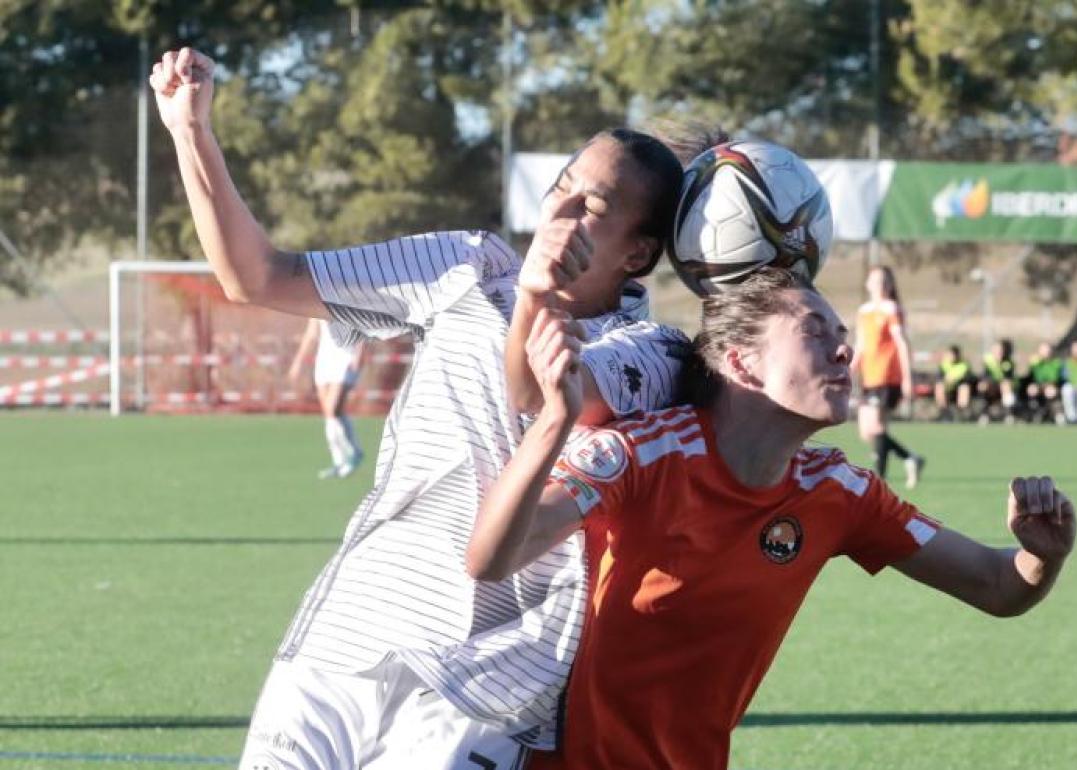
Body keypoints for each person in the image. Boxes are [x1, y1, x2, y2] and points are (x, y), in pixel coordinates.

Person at [150, 47, 689, 768]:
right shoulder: (465, 264)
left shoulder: (653, 351)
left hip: (483, 684)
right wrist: (191, 131)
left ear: (637, 254)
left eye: (592, 207)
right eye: (561, 187)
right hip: (348, 637)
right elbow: (258, 276)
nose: (559, 211)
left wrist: (535, 292)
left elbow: (536, 393)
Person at [467, 268, 1077, 770]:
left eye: (842, 334)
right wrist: (556, 419)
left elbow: (998, 586)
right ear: (742, 363)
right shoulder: (643, 455)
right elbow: (491, 558)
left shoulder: (840, 491)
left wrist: (1041, 556)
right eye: (814, 331)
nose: (845, 350)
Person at [852, 265, 923, 488]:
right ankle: (910, 458)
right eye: (875, 280)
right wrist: (849, 370)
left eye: (884, 281)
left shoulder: (891, 309)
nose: (879, 285)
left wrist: (907, 378)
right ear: (867, 284)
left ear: (891, 285)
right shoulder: (864, 311)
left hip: (888, 376)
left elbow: (902, 343)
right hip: (869, 377)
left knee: (877, 427)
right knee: (867, 431)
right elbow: (861, 345)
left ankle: (878, 481)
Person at [287, 318, 367, 479]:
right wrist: (298, 362)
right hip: (325, 360)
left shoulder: (348, 304)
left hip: (345, 358)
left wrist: (359, 355)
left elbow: (363, 329)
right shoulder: (317, 304)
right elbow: (311, 334)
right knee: (330, 415)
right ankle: (339, 460)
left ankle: (354, 451)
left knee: (333, 409)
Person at [977, 338, 1018, 423]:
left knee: (1005, 385)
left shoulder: (1008, 362)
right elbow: (984, 376)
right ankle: (984, 414)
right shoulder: (988, 361)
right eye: (996, 350)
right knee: (983, 386)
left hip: (1004, 387)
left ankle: (1009, 414)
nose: (998, 352)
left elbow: (1008, 377)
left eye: (1000, 350)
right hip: (991, 386)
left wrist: (1000, 364)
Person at [1023, 341, 1063, 423]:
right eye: (1043, 350)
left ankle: (1053, 413)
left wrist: (1046, 384)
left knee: (1050, 391)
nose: (1045, 353)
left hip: (1051, 386)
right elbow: (1030, 377)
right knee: (1032, 389)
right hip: (1038, 386)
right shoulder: (1035, 363)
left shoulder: (1056, 363)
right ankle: (1034, 413)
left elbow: (1054, 378)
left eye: (1047, 350)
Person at [935, 343, 975, 421]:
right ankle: (944, 413)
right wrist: (946, 380)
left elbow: (970, 378)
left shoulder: (964, 365)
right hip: (947, 388)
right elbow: (938, 378)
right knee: (939, 387)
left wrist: (957, 379)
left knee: (964, 388)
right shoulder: (943, 364)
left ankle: (961, 414)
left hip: (959, 388)